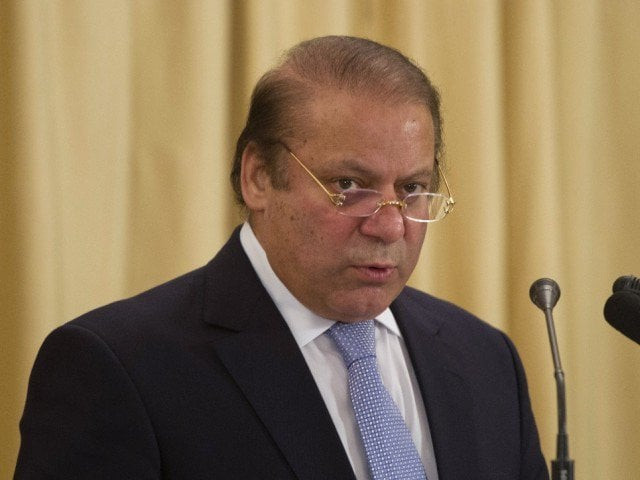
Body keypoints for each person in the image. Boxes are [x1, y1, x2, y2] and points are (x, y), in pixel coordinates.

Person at [15, 36, 548, 479]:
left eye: (412, 188)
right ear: (259, 178)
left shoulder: (485, 360)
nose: (390, 226)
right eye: (348, 185)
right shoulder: (117, 367)